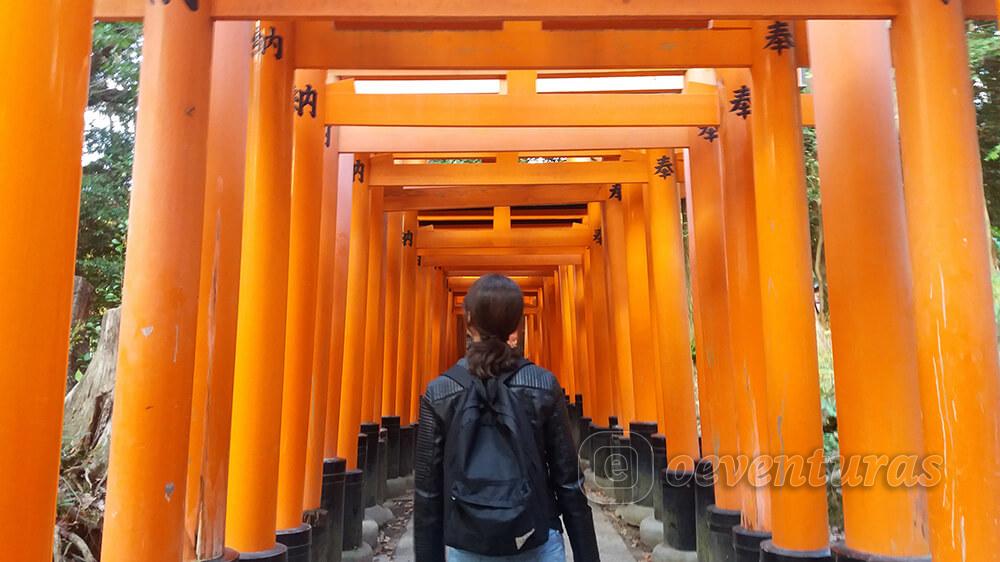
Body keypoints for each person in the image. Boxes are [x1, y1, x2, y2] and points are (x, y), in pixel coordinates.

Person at [414, 274, 600, 562]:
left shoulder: (439, 392)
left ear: (469, 321)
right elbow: (568, 483)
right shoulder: (543, 384)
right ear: (517, 325)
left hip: (468, 544)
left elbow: (428, 494)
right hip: (536, 538)